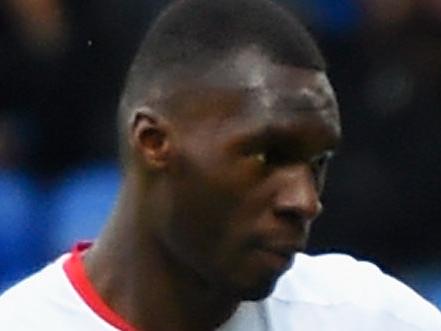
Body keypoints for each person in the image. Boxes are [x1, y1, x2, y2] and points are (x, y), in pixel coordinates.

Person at [1, 0, 440, 330]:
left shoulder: (363, 315)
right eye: (268, 156)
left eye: (317, 163)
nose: (305, 201)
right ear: (153, 143)